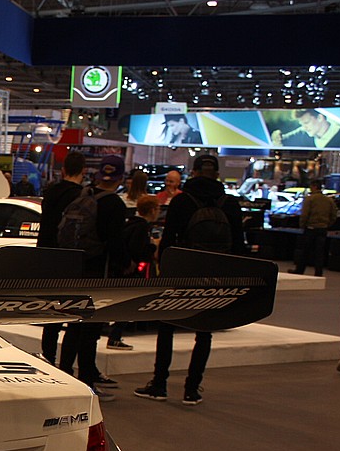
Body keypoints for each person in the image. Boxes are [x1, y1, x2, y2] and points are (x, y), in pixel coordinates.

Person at [135, 153, 246, 406]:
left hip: (182, 270)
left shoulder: (182, 201)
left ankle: (159, 385)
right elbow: (239, 245)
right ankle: (192, 389)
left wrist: (163, 270)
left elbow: (168, 240)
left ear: (193, 173)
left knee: (167, 327)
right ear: (217, 175)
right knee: (204, 331)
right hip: (214, 273)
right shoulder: (229, 203)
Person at [58, 153, 127, 401]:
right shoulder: (114, 204)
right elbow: (116, 243)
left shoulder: (83, 195)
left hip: (76, 269)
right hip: (99, 272)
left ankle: (65, 375)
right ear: (120, 177)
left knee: (74, 326)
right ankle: (87, 382)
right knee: (90, 330)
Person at [37, 150, 86, 365]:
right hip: (70, 259)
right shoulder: (81, 196)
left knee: (51, 315)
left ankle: (48, 358)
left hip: (48, 257)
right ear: (83, 171)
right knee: (73, 315)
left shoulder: (50, 192)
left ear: (64, 169)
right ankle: (66, 366)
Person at [108, 194, 160, 350]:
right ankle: (115, 337)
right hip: (132, 272)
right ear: (152, 210)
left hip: (123, 270)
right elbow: (138, 249)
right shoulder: (142, 227)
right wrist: (152, 247)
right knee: (128, 305)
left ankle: (114, 336)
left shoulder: (130, 223)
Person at [293, 179, 335, 276]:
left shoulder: (310, 199)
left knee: (305, 251)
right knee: (319, 252)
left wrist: (302, 225)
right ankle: (318, 272)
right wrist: (327, 224)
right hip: (323, 229)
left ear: (314, 187)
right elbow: (333, 215)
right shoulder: (329, 200)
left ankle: (300, 270)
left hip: (310, 228)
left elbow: (304, 214)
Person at [271, 108, 340, 149]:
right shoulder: (303, 132)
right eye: (302, 124)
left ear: (320, 118)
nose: (304, 127)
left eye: (306, 122)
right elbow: (281, 139)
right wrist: (276, 137)